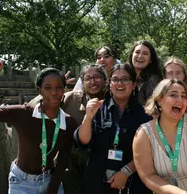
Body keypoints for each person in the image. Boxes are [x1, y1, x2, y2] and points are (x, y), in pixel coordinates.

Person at [0, 62, 77, 194]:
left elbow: (63, 158)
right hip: (21, 182)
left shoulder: (69, 122)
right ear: (39, 90)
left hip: (50, 179)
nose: (54, 92)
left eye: (59, 87)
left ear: (64, 90)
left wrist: (52, 188)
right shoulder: (23, 113)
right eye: (47, 88)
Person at [74, 63, 152, 194]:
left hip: (132, 184)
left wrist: (126, 172)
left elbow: (149, 151)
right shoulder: (97, 108)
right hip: (97, 184)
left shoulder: (145, 115)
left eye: (125, 79)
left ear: (133, 84)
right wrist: (88, 118)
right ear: (110, 84)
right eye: (115, 79)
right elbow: (83, 141)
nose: (119, 84)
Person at [30, 64, 108, 194]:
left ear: (105, 80)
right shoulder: (71, 98)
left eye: (97, 77)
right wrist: (56, 86)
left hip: (101, 164)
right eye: (88, 78)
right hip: (71, 163)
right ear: (82, 82)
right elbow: (37, 105)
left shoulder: (113, 100)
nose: (93, 81)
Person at [128, 40, 162, 105]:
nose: (140, 56)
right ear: (132, 55)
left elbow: (153, 108)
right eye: (137, 52)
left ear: (150, 60)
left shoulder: (153, 80)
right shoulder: (124, 75)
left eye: (145, 53)